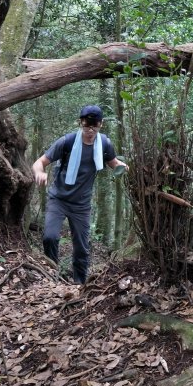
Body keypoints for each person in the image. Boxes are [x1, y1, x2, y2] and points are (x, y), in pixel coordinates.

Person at [32, 105, 128, 284]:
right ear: (80, 123)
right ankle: (52, 278)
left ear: (101, 125)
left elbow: (114, 163)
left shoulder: (104, 144)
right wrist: (39, 172)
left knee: (82, 249)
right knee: (50, 237)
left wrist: (127, 169)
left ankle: (79, 284)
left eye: (94, 127)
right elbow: (40, 162)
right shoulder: (67, 142)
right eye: (86, 126)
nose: (90, 131)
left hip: (81, 205)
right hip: (58, 199)